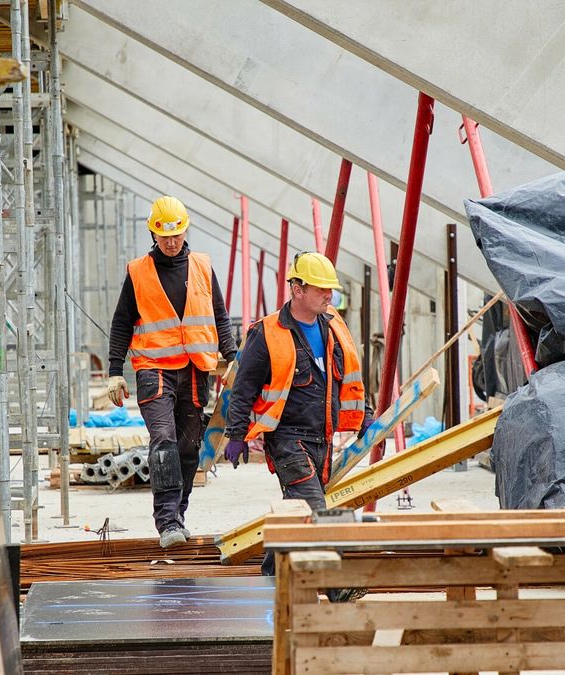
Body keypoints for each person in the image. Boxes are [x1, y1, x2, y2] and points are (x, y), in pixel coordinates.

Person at [223, 251, 373, 575]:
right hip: (287, 440)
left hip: (324, 439)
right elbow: (243, 389)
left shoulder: (334, 325)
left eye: (329, 289)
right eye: (320, 288)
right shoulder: (267, 333)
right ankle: (340, 585)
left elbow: (350, 377)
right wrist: (235, 435)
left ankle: (272, 573)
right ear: (297, 289)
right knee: (318, 512)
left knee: (297, 514)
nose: (327, 295)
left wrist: (365, 416)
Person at [106, 196, 237, 549]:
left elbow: (220, 316)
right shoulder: (138, 272)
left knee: (188, 447)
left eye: (176, 233)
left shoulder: (203, 266)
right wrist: (114, 371)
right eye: (164, 235)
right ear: (153, 233)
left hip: (196, 369)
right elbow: (121, 324)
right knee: (163, 438)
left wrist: (233, 357)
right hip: (154, 369)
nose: (171, 241)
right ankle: (166, 522)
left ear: (185, 229)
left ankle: (178, 515)